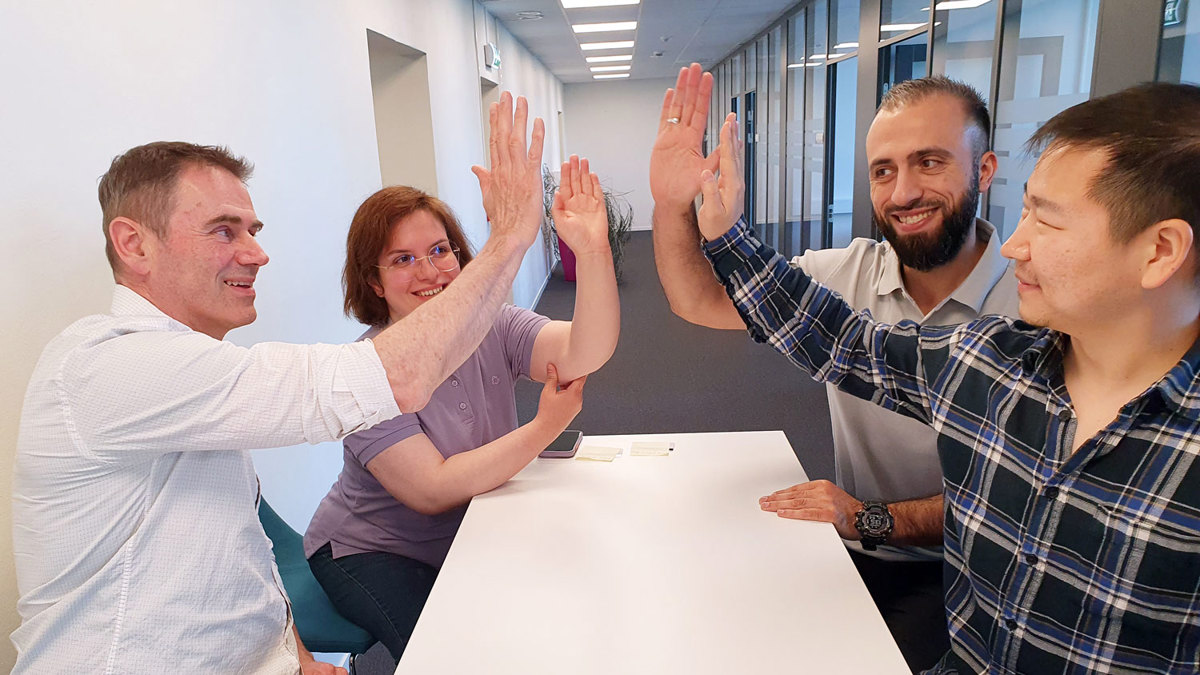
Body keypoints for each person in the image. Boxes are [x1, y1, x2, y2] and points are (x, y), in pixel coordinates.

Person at [11, 92, 548, 673]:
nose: (258, 253)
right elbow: (396, 379)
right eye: (224, 231)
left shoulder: (199, 382)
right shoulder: (105, 367)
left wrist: (299, 657)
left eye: (252, 230)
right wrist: (509, 239)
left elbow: (246, 555)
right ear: (134, 244)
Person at [693, 83, 1200, 673]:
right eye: (1026, 209)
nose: (1014, 243)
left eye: (1049, 222)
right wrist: (726, 234)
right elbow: (834, 338)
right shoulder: (990, 364)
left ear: (1159, 251)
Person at [650, 65, 1017, 671]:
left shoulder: (1036, 308)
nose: (902, 194)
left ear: (984, 170)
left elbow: (1009, 499)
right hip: (853, 542)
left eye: (929, 162)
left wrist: (865, 518)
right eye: (883, 170)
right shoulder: (845, 275)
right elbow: (701, 301)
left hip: (972, 575)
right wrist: (671, 207)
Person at [303, 154, 619, 662]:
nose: (429, 271)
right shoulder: (363, 372)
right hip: (372, 549)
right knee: (452, 657)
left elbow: (587, 350)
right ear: (374, 282)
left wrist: (593, 251)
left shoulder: (491, 324)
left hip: (470, 523)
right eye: (402, 259)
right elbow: (433, 488)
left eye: (439, 250)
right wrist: (545, 427)